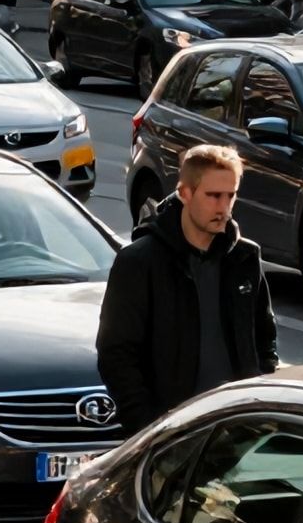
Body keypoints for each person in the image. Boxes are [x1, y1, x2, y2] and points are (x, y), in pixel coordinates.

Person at [96, 145, 278, 434]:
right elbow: (116, 354)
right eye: (213, 195)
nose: (223, 207)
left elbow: (265, 339)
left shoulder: (245, 258)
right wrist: (147, 428)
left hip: (238, 427)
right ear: (185, 193)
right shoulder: (140, 262)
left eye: (230, 195)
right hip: (169, 434)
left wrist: (258, 401)